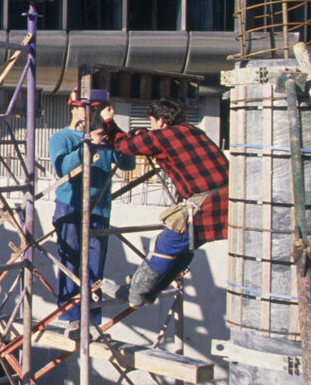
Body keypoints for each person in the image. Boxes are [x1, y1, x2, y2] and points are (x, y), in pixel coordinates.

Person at [98, 97, 229, 306]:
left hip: (204, 203)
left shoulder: (162, 137)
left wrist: (108, 122)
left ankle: (134, 294)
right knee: (184, 249)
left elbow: (124, 146)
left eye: (151, 122)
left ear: (160, 121)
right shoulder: (195, 131)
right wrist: (145, 134)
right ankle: (149, 293)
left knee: (166, 243)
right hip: (225, 201)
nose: (151, 126)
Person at [50, 91, 134, 324]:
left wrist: (111, 128)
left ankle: (91, 317)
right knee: (71, 260)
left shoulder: (105, 136)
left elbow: (128, 162)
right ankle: (69, 315)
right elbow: (62, 167)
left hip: (99, 209)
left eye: (94, 110)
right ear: (73, 109)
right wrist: (88, 147)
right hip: (71, 207)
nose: (90, 114)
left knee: (95, 265)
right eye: (85, 108)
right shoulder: (62, 137)